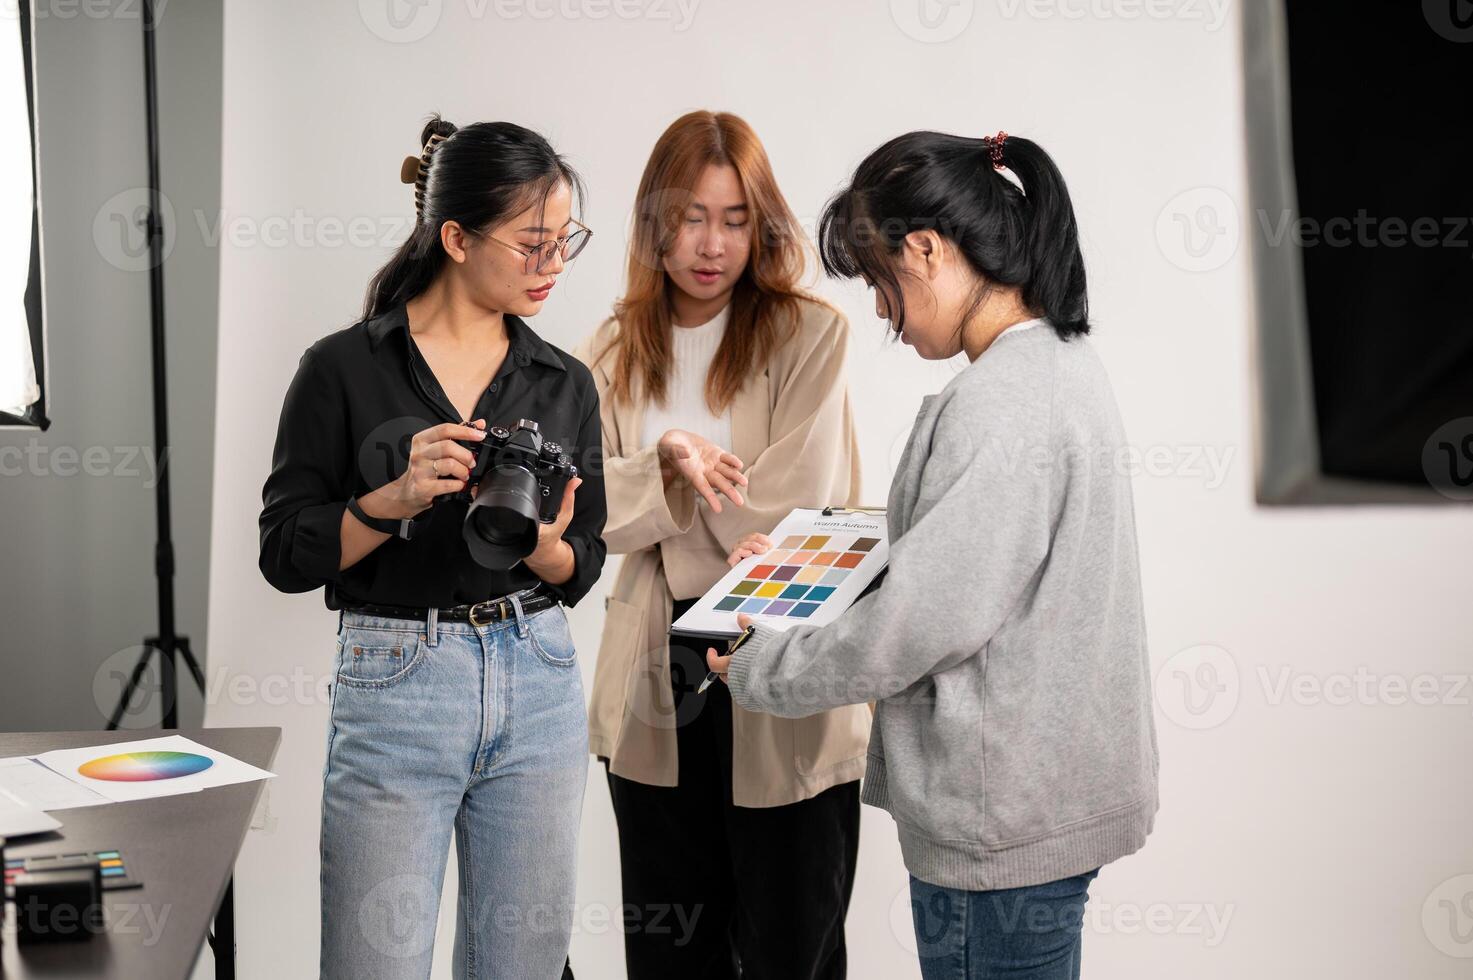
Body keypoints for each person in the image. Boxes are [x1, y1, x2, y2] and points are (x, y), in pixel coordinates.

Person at [706, 130, 1159, 980]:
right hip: (1044, 803)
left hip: (997, 824)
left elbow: (921, 621)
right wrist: (817, 551)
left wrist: (764, 670)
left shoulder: (1000, 401)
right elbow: (978, 546)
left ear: (925, 249)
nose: (880, 310)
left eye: (880, 282)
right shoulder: (1062, 365)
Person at [258, 115, 606, 980]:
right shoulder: (342, 368)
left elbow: (583, 562)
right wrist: (391, 499)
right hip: (396, 678)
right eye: (531, 243)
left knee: (522, 965)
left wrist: (546, 548)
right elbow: (283, 554)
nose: (553, 264)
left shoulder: (564, 380)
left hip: (539, 674)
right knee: (374, 964)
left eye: (565, 241)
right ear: (455, 237)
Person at [573, 110, 869, 979]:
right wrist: (670, 480)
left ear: (761, 224)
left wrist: (659, 500)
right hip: (654, 675)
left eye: (736, 219)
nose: (712, 244)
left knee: (792, 943)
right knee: (671, 948)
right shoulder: (609, 350)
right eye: (692, 217)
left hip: (780, 651)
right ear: (654, 226)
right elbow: (588, 513)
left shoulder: (812, 333)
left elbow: (797, 501)